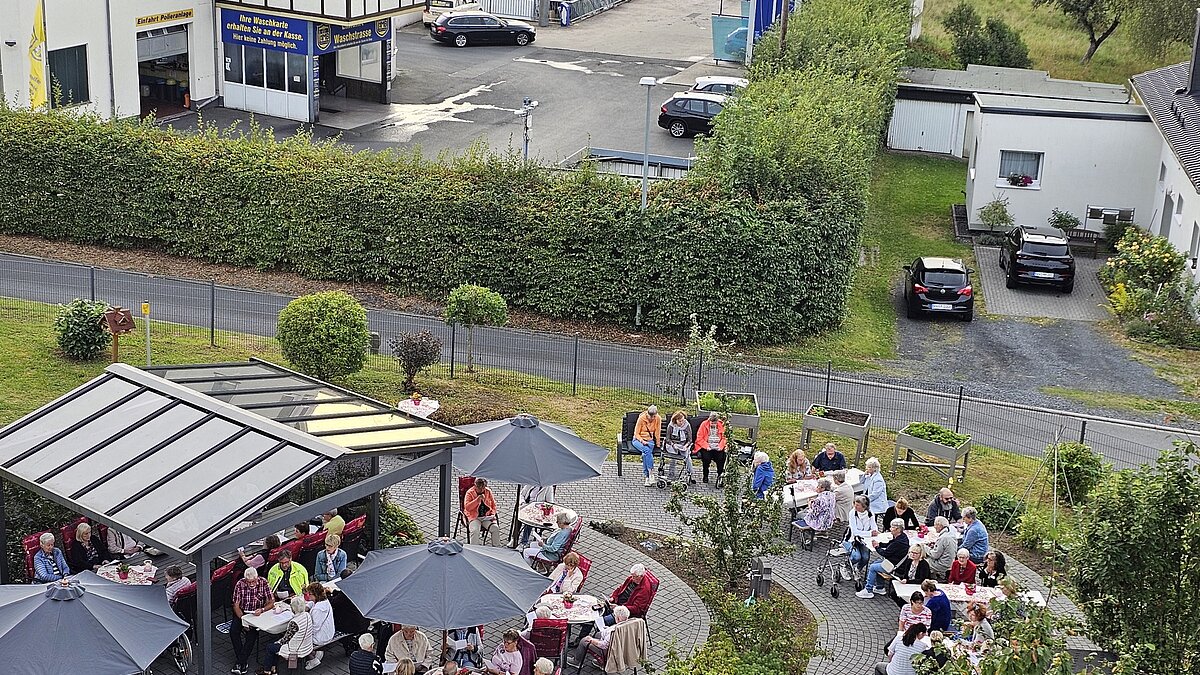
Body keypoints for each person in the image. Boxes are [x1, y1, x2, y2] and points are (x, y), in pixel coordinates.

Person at [231, 567, 273, 675]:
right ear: (245, 580)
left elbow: (271, 601)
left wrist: (262, 609)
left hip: (257, 614)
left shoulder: (263, 582)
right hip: (242, 613)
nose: (251, 584)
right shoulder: (240, 584)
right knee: (233, 632)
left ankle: (240, 662)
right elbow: (236, 605)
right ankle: (243, 661)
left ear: (257, 578)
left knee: (251, 635)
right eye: (249, 582)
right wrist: (243, 619)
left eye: (253, 581)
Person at [257, 596, 314, 675]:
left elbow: (285, 640)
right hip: (306, 645)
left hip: (295, 649)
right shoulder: (307, 615)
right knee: (275, 644)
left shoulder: (294, 622)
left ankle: (267, 671)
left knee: (270, 647)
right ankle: (273, 669)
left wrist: (277, 642)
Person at [858, 518, 909, 599]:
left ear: (898, 529)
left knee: (873, 567)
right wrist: (880, 544)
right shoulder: (902, 537)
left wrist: (877, 547)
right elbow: (890, 545)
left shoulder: (898, 542)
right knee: (876, 563)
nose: (890, 529)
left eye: (892, 527)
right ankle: (880, 587)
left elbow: (885, 553)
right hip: (895, 562)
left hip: (895, 566)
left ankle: (868, 590)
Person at [793, 477, 836, 546]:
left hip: (820, 521)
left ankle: (810, 535)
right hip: (829, 519)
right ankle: (823, 532)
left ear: (823, 488)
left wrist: (810, 504)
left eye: (818, 486)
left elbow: (813, 514)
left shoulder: (820, 499)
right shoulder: (832, 495)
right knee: (804, 512)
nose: (816, 488)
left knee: (799, 514)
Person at [842, 495, 876, 580]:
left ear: (864, 507)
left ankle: (858, 569)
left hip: (863, 540)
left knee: (865, 558)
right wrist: (870, 533)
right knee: (856, 556)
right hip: (851, 539)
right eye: (855, 504)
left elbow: (874, 527)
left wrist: (874, 531)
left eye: (857, 505)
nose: (855, 507)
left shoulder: (870, 513)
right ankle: (845, 566)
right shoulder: (852, 513)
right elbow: (855, 532)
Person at [304, 583, 336, 670]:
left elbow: (315, 628)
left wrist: (304, 634)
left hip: (322, 636)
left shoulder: (318, 609)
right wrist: (307, 607)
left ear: (316, 595)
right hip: (328, 631)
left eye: (310, 594)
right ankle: (318, 651)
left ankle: (313, 659)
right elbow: (312, 603)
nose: (308, 595)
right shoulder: (323, 601)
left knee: (298, 639)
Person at [464, 477, 502, 547]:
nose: (481, 490)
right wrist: (477, 500)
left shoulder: (488, 491)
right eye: (479, 488)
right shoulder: (470, 493)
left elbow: (494, 505)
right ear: (475, 486)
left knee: (495, 528)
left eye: (483, 487)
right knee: (475, 531)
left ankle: (497, 549)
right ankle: (474, 550)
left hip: (486, 517)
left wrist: (492, 514)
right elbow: (467, 508)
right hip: (474, 517)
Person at [632, 405, 662, 487]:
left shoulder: (658, 418)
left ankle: (647, 477)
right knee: (647, 451)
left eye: (654, 416)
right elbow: (636, 433)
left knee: (645, 454)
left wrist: (658, 444)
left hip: (649, 441)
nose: (652, 418)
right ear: (647, 414)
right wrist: (642, 441)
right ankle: (651, 473)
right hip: (638, 440)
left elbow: (657, 432)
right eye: (650, 416)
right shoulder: (641, 418)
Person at [694, 411, 727, 485]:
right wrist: (706, 446)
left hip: (717, 446)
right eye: (712, 423)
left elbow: (724, 438)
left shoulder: (721, 425)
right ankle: (705, 475)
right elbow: (699, 438)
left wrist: (720, 446)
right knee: (706, 458)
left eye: (715, 423)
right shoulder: (704, 424)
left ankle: (720, 476)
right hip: (707, 446)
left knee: (721, 458)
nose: (713, 424)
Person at [663, 410, 695, 482]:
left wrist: (686, 446)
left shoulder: (687, 425)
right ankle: (671, 475)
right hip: (673, 444)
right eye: (680, 421)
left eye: (683, 420)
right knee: (673, 457)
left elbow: (690, 440)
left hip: (683, 444)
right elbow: (667, 439)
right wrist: (673, 445)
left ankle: (690, 474)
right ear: (675, 420)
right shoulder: (671, 426)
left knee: (687, 457)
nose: (682, 422)